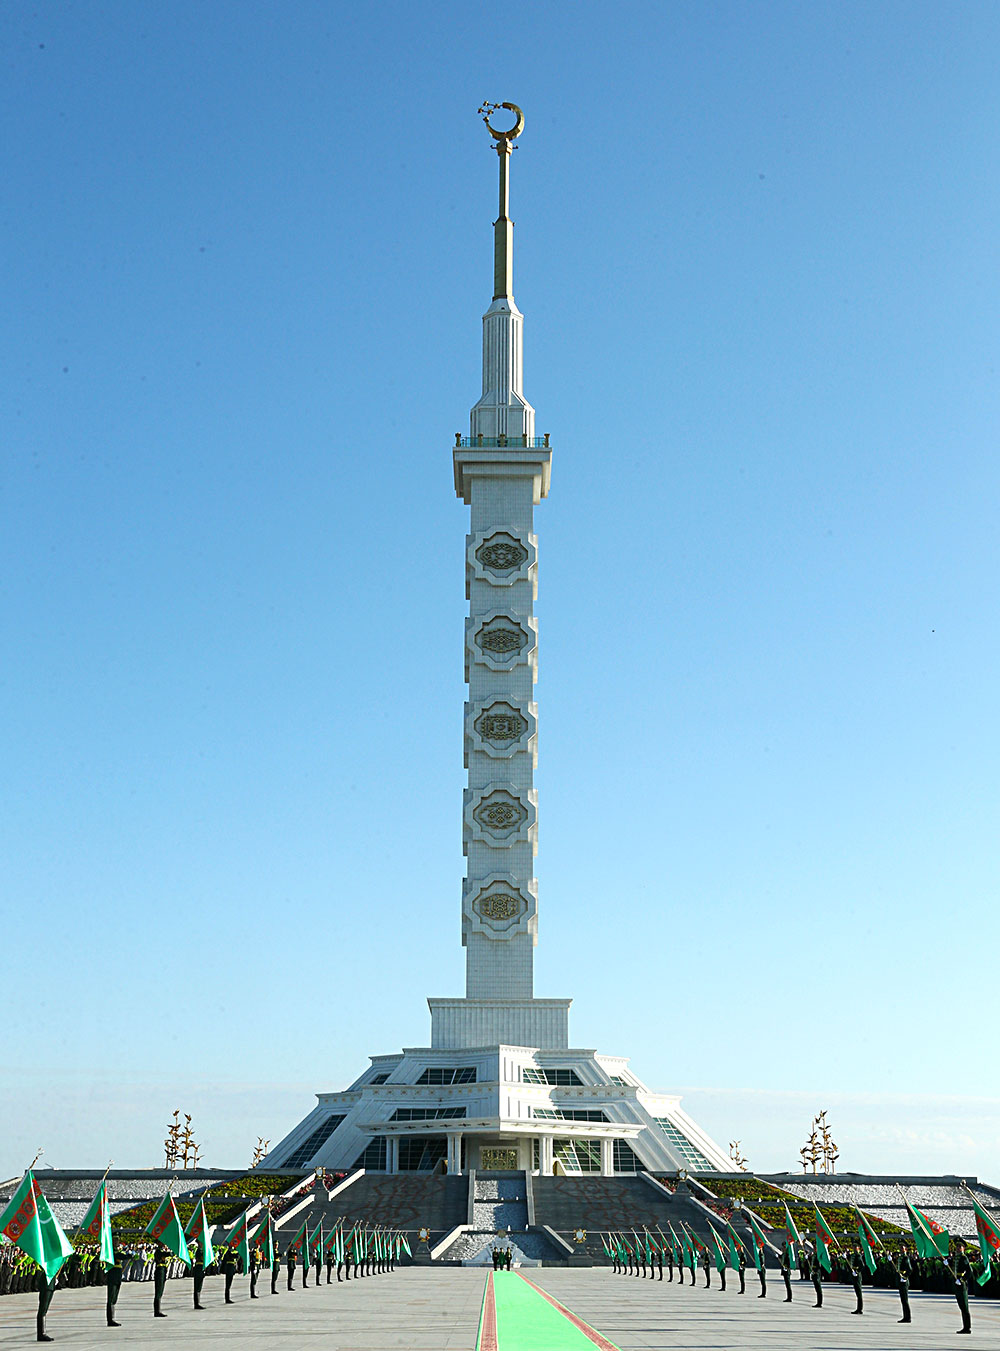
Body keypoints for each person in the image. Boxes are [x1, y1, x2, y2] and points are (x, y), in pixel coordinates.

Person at [953, 1245, 973, 1334]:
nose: (957, 1249)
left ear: (963, 1248)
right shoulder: (956, 1257)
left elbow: (969, 1271)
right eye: (957, 1247)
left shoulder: (963, 1258)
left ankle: (967, 1327)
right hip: (957, 1282)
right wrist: (947, 1263)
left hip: (962, 1283)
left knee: (964, 1306)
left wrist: (962, 1280)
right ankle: (965, 1326)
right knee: (961, 1305)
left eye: (959, 1247)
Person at [105, 1240, 124, 1327]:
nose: (117, 1242)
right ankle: (110, 1319)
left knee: (114, 1297)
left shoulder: (117, 1251)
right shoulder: (111, 1251)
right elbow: (120, 1256)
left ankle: (112, 1318)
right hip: (113, 1274)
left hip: (117, 1275)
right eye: (115, 1240)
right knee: (111, 1297)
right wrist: (129, 1256)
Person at [35, 1265, 55, 1343]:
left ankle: (42, 1333)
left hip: (50, 1285)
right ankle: (41, 1334)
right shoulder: (45, 1261)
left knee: (45, 1309)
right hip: (46, 1285)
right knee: (42, 1309)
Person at [153, 1242, 170, 1317]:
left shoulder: (161, 1250)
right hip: (159, 1271)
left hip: (163, 1270)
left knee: (160, 1291)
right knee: (158, 1292)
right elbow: (166, 1254)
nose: (164, 1243)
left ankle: (158, 1310)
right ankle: (157, 1311)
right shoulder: (158, 1251)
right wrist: (169, 1252)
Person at [191, 1238, 206, 1310]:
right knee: (197, 1286)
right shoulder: (199, 1251)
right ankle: (196, 1304)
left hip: (201, 1268)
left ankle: (197, 1303)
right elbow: (202, 1258)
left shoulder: (201, 1250)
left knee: (199, 1287)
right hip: (198, 1268)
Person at [849, 1250, 864, 1315]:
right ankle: (858, 1308)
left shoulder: (858, 1256)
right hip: (853, 1274)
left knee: (859, 1292)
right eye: (853, 1247)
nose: (854, 1248)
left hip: (857, 1276)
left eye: (855, 1247)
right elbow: (850, 1264)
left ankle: (860, 1309)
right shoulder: (852, 1255)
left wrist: (857, 1271)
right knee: (857, 1292)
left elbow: (862, 1266)